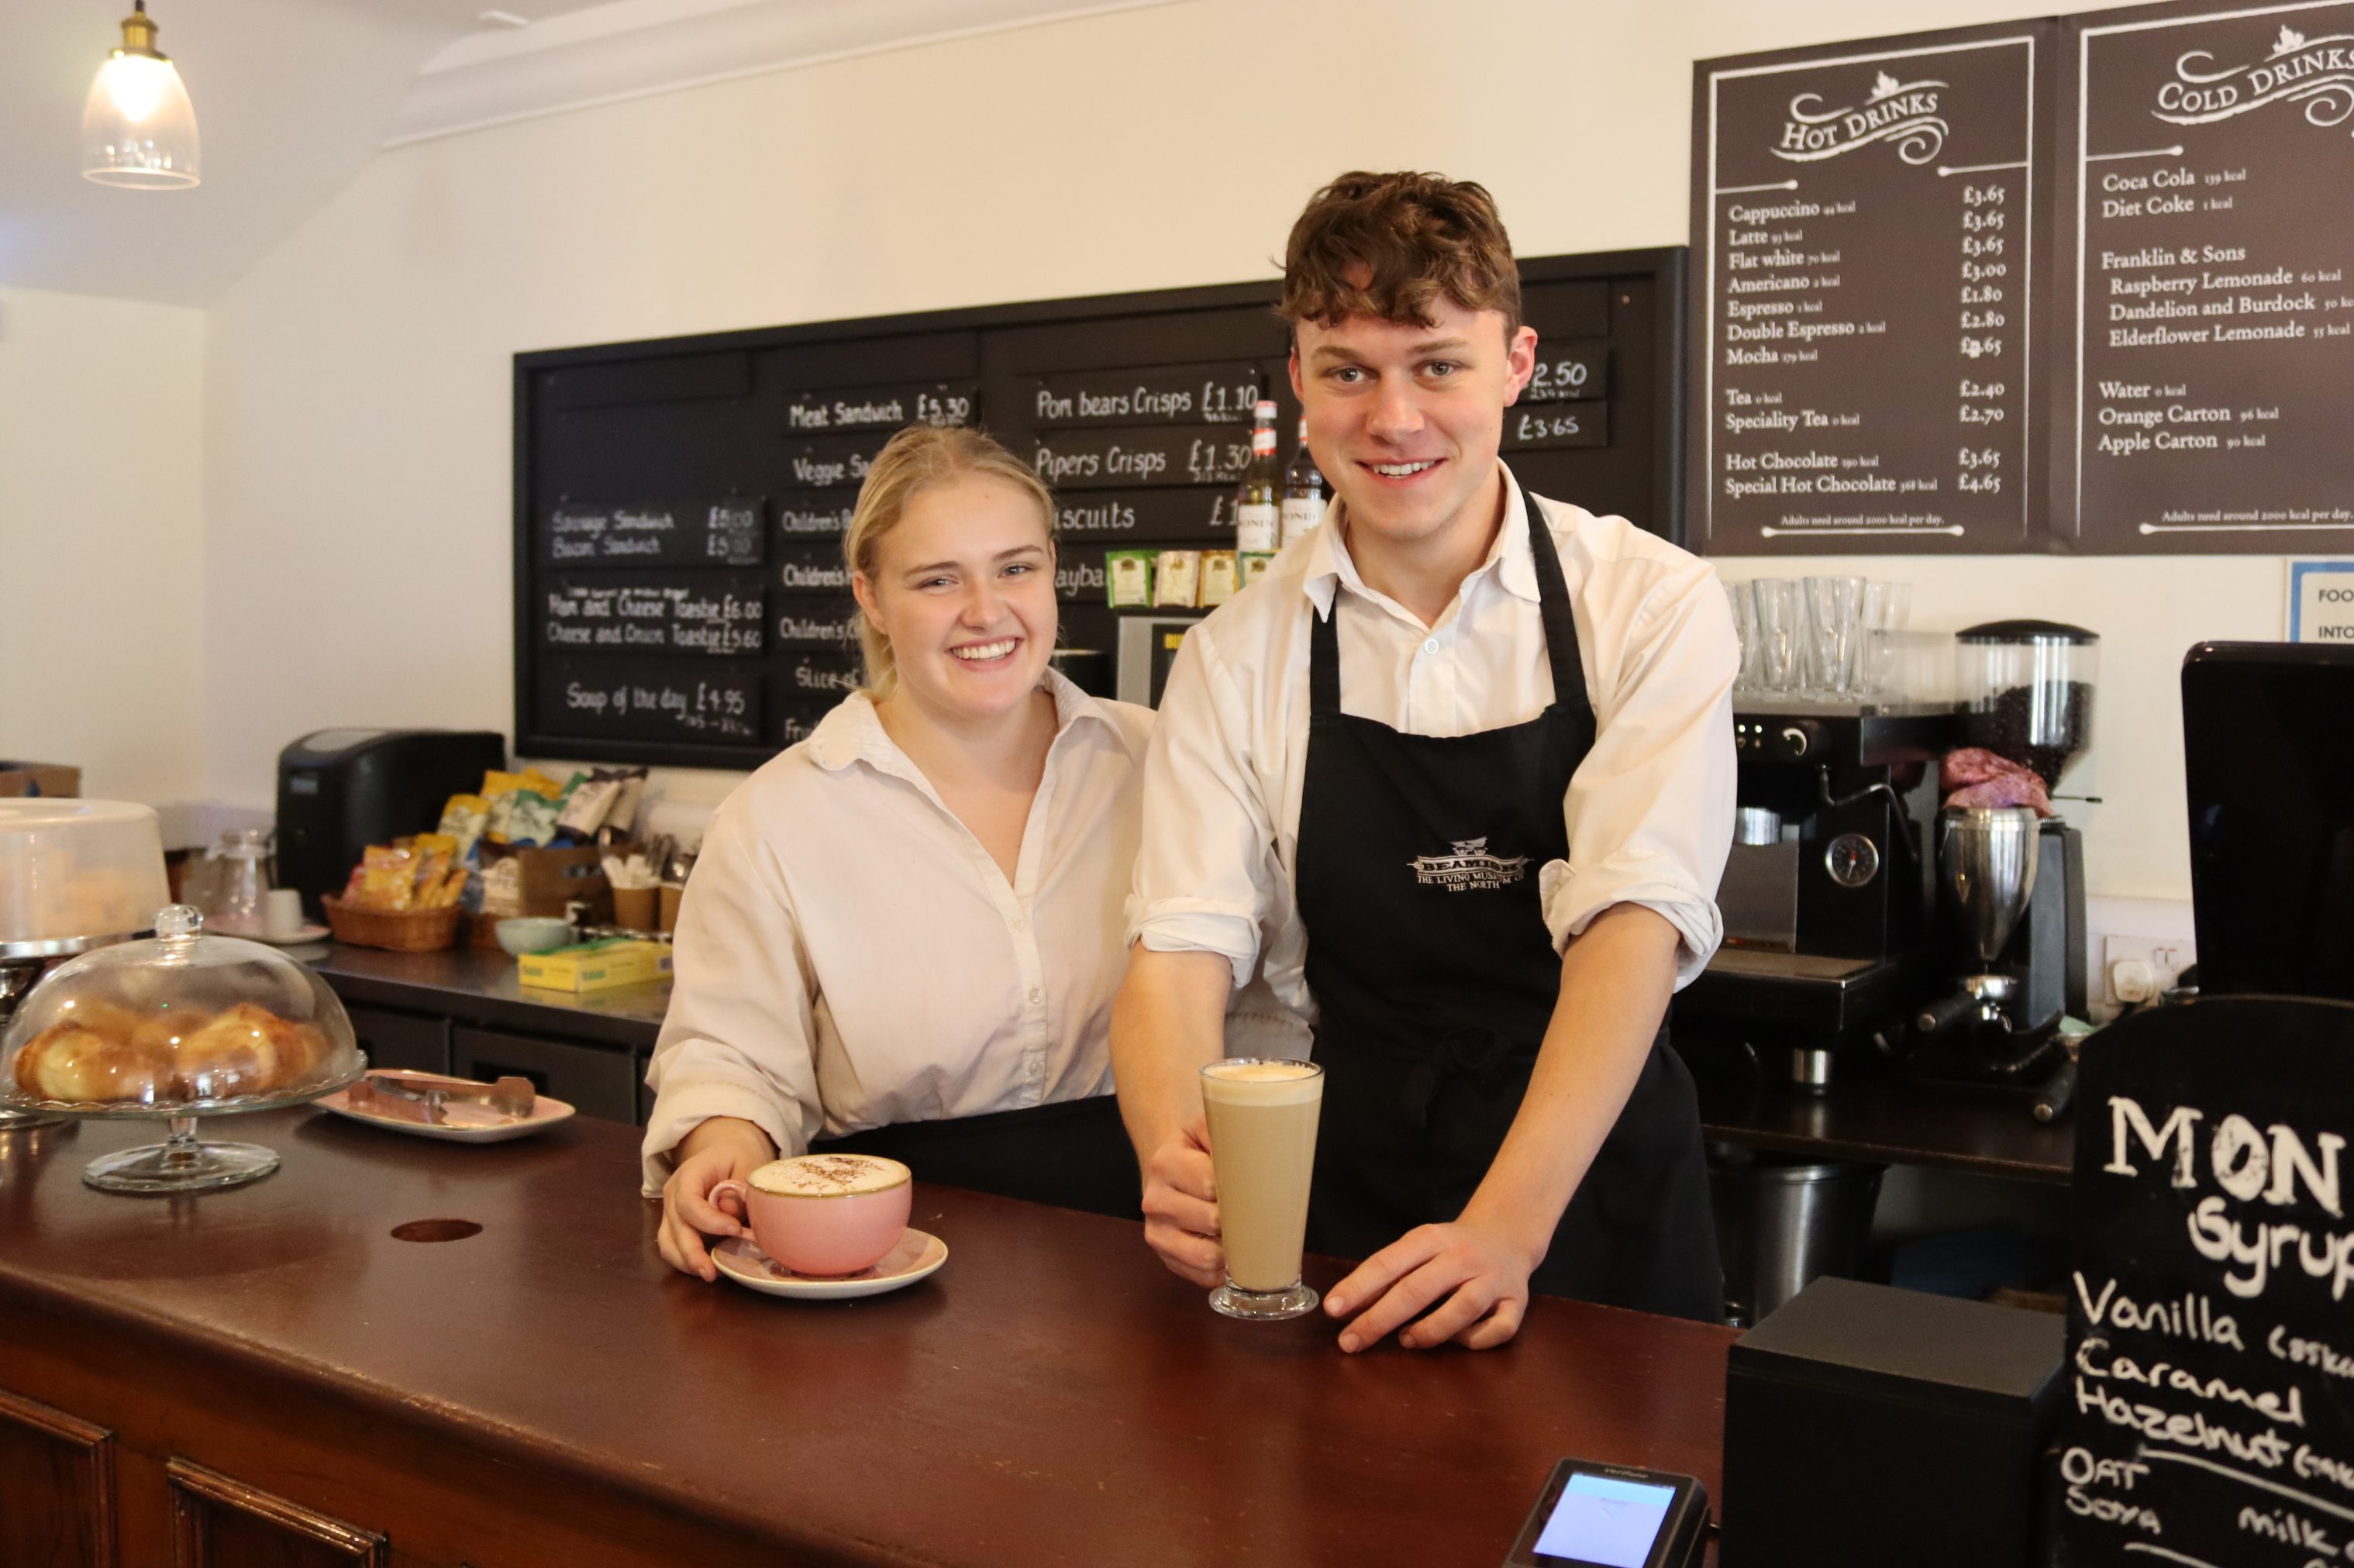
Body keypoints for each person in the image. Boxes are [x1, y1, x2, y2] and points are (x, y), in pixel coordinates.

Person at [1112, 171, 1737, 1350]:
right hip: (1344, 1206)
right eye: (1348, 369)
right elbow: (1177, 946)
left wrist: (1506, 1224)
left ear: (1516, 363)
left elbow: (1631, 924)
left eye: (1437, 363)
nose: (1393, 418)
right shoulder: (1234, 655)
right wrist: (1174, 1152)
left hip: (1594, 1191)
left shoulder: (1648, 601)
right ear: (1299, 382)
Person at [644, 424, 1154, 1280]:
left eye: (1015, 567)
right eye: (937, 579)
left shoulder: (1159, 764)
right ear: (872, 599)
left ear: (1054, 570)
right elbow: (726, 1053)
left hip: (1146, 1245)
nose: (986, 611)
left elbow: (1255, 1001)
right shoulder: (777, 816)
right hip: (891, 1251)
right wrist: (725, 1140)